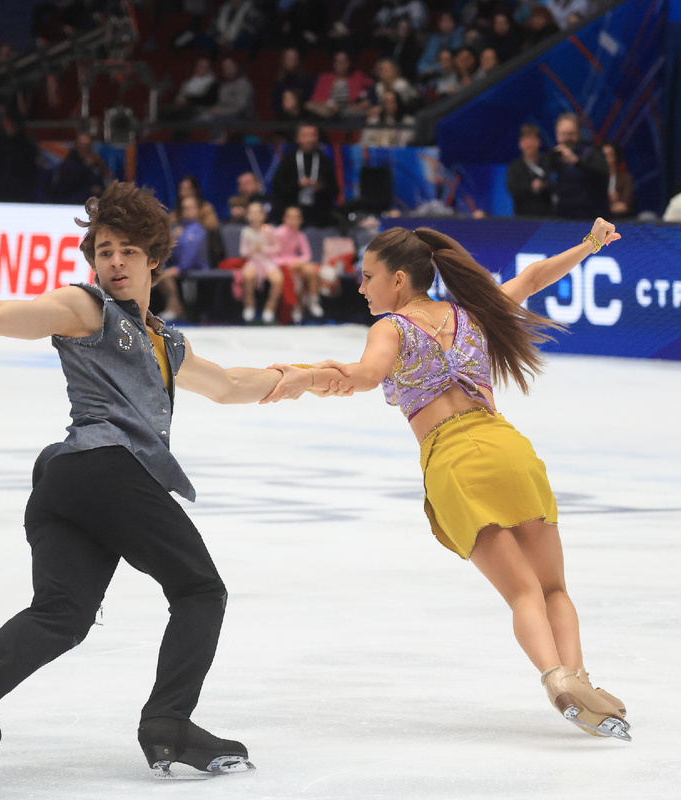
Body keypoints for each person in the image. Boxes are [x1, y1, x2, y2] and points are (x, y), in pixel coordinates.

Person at [0, 182, 324, 776]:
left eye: (128, 251)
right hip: (103, 467)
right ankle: (168, 723)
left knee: (65, 614)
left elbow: (231, 385)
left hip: (68, 483)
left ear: (154, 258)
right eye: (105, 251)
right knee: (201, 591)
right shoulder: (85, 308)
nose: (115, 262)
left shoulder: (164, 340)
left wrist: (302, 375)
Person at [263, 218, 632, 742]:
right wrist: (590, 245)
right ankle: (578, 678)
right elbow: (530, 280)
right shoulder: (470, 314)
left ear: (397, 280)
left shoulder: (389, 328)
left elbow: (365, 377)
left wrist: (305, 376)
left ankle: (555, 680)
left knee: (523, 591)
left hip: (454, 462)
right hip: (509, 450)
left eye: (367, 276)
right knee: (552, 587)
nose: (361, 286)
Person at [270, 123, 338, 228]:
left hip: (319, 216)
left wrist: (321, 187)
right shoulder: (288, 162)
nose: (309, 139)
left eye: (313, 135)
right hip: (292, 214)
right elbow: (277, 188)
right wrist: (297, 185)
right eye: (305, 135)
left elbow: (335, 191)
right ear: (298, 138)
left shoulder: (326, 163)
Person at [542, 113, 609, 220]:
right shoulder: (553, 155)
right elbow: (548, 180)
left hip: (590, 215)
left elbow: (603, 174)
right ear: (557, 134)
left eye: (571, 133)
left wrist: (576, 161)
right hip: (563, 215)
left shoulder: (592, 151)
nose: (567, 138)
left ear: (579, 133)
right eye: (563, 134)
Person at [276, 205, 322, 322]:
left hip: (295, 262)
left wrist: (298, 262)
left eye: (296, 218)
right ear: (284, 219)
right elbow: (273, 255)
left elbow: (307, 255)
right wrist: (288, 263)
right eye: (290, 217)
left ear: (301, 220)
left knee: (312, 270)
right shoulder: (278, 233)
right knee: (294, 275)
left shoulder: (300, 235)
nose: (293, 220)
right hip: (280, 264)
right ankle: (296, 306)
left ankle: (313, 300)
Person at [239, 200, 281, 324]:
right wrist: (252, 248)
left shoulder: (269, 230)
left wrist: (263, 249)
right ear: (248, 216)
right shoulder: (246, 231)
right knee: (248, 275)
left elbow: (277, 247)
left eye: (258, 212)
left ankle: (270, 308)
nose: (255, 215)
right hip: (253, 262)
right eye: (252, 212)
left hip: (267, 262)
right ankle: (249, 305)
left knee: (278, 279)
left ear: (263, 215)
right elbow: (242, 251)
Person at [305, 50, 375, 120]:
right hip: (327, 107)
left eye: (343, 62)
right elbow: (316, 98)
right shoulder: (324, 78)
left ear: (348, 64)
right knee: (309, 105)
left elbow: (372, 84)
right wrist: (329, 104)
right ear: (334, 64)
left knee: (362, 110)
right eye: (337, 61)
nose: (340, 64)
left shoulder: (357, 76)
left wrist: (365, 101)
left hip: (349, 107)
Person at [506, 124, 553, 217]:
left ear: (539, 142)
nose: (529, 143)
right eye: (525, 140)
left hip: (547, 217)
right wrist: (531, 187)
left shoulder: (548, 162)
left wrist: (544, 185)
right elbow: (513, 189)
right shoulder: (514, 166)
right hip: (523, 217)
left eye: (532, 139)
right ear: (520, 143)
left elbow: (556, 183)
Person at [601, 141, 634, 218]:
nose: (606, 159)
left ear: (616, 158)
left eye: (610, 155)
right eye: (603, 156)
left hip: (620, 219)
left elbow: (624, 205)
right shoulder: (593, 179)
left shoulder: (625, 178)